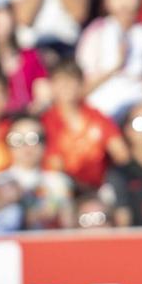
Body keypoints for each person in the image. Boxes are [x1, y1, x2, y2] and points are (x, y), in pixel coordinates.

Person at [75, 0, 142, 119]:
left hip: (138, 106)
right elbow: (83, 85)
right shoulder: (97, 32)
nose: (124, 0)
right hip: (103, 108)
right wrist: (116, 66)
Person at [41, 61, 123, 192]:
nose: (66, 87)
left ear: (81, 84)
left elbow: (120, 152)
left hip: (100, 187)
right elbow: (55, 165)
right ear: (52, 86)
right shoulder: (47, 121)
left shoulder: (96, 116)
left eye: (71, 81)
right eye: (61, 82)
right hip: (67, 188)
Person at [0, 114, 76, 230]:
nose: (26, 146)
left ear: (44, 143)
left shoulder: (59, 183)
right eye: (17, 139)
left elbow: (68, 227)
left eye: (33, 139)